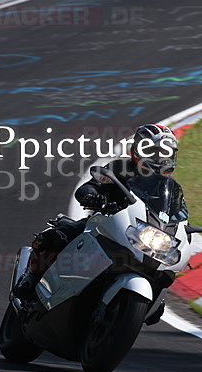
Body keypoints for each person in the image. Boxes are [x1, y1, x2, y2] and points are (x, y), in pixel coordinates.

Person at [12, 124, 180, 301]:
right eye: (154, 152)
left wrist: (186, 229)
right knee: (55, 238)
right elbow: (89, 187)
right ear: (139, 149)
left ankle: (149, 303)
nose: (160, 159)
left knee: (166, 273)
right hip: (106, 224)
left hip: (141, 237)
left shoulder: (169, 188)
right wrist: (93, 196)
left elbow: (175, 213)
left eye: (165, 154)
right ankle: (31, 278)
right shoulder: (121, 167)